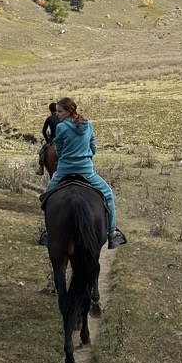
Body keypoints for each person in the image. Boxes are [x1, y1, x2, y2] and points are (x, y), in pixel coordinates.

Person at [41, 97, 127, 249]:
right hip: (86, 171)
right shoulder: (87, 124)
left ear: (68, 111)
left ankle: (48, 233)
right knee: (108, 194)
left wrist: (67, 155)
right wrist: (86, 154)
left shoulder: (61, 127)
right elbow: (93, 146)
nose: (57, 114)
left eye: (60, 111)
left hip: (64, 171)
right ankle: (112, 233)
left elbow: (59, 150)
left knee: (46, 197)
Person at [37, 101, 59, 175]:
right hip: (64, 139)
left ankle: (41, 168)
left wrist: (47, 140)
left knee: (42, 152)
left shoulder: (49, 119)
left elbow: (44, 131)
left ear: (50, 110)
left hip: (53, 139)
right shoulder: (62, 117)